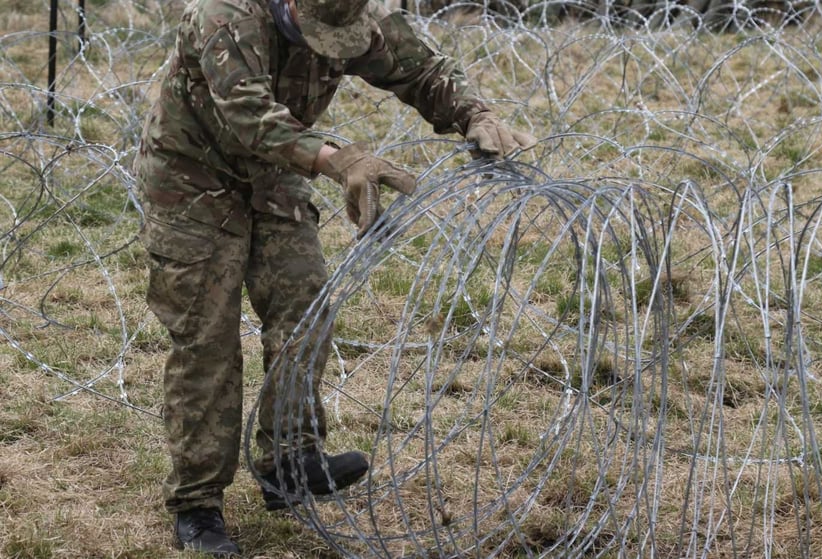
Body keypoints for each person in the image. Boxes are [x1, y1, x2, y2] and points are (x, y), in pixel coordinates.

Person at [134, 0, 536, 555]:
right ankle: (198, 504)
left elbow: (421, 67)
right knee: (208, 343)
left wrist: (475, 113)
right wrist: (341, 160)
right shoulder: (225, 14)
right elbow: (248, 115)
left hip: (275, 178)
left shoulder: (358, 14)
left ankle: (289, 462)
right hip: (192, 181)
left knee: (307, 308)